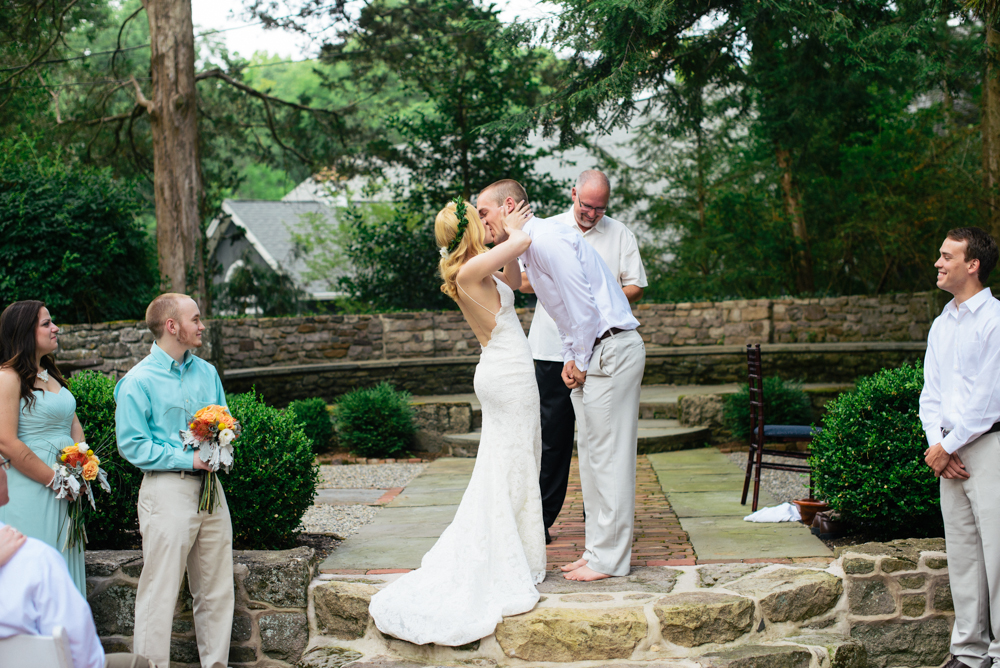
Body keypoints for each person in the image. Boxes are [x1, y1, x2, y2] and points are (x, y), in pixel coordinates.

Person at [368, 198, 545, 646]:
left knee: (514, 462)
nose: (487, 222)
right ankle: (507, 557)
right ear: (467, 231)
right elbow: (523, 241)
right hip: (507, 375)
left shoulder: (477, 268)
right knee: (513, 463)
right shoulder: (469, 272)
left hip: (506, 371)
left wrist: (503, 236)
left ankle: (518, 552)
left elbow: (516, 279)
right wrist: (512, 227)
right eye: (479, 218)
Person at [478, 179, 645, 582]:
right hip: (592, 352)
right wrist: (571, 357)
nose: (482, 222)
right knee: (589, 459)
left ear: (509, 205)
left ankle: (611, 560)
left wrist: (581, 359)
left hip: (612, 350)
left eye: (484, 213)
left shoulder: (548, 239)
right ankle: (595, 551)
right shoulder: (531, 244)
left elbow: (586, 307)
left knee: (609, 460)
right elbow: (565, 311)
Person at [520, 170, 647, 543]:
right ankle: (541, 521)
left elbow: (635, 283)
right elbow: (527, 280)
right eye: (586, 205)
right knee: (552, 439)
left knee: (597, 444)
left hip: (599, 349)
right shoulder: (547, 229)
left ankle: (603, 528)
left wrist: (600, 299)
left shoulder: (620, 233)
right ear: (572, 193)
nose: (591, 214)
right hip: (549, 347)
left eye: (599, 208)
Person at [114, 293, 232, 668]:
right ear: (172, 326)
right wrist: (189, 458)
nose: (201, 325)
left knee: (216, 589)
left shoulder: (207, 372)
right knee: (160, 591)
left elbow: (224, 420)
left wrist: (226, 440)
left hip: (212, 491)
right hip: (166, 491)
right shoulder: (137, 381)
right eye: (195, 319)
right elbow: (132, 445)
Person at [919, 227, 1000, 668]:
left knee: (999, 556)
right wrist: (938, 446)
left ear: (973, 265)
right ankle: (968, 653)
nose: (938, 262)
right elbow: (930, 394)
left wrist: (946, 446)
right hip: (948, 455)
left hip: (990, 449)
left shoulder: (996, 321)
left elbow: (989, 398)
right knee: (964, 556)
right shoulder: (940, 324)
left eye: (947, 256)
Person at [0, 455, 154, 668]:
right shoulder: (35, 558)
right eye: (3, 463)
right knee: (138, 664)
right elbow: (83, 657)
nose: (6, 469)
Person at [0, 300, 87, 592]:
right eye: (46, 323)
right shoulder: (7, 378)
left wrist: (84, 469)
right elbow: (6, 441)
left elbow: (74, 427)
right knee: (35, 573)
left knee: (62, 564)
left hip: (66, 489)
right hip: (32, 488)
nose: (55, 328)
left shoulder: (52, 376)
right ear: (26, 331)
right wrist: (55, 480)